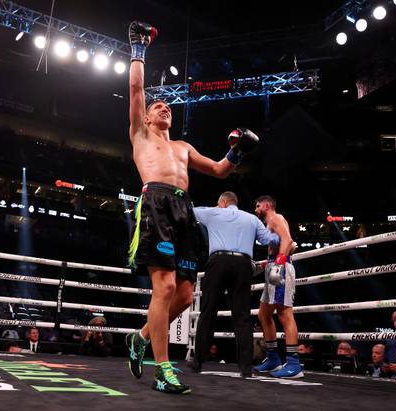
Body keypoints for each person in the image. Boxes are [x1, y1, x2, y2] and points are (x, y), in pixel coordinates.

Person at [124, 21, 259, 395]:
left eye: (167, 105)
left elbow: (218, 170)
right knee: (165, 286)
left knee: (184, 296)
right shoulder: (140, 135)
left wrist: (237, 150)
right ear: (145, 117)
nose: (163, 107)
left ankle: (140, 338)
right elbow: (136, 89)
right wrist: (138, 49)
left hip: (184, 211)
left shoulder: (183, 147)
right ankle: (162, 369)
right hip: (156, 203)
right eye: (157, 106)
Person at [189, 191, 280, 377]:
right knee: (242, 316)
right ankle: (245, 368)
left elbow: (189, 211)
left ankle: (198, 361)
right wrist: (282, 237)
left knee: (208, 311)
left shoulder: (214, 212)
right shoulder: (251, 219)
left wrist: (212, 209)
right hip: (243, 264)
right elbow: (269, 239)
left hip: (218, 262)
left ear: (223, 202)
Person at [253, 195, 303, 378]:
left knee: (284, 314)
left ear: (267, 205)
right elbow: (283, 246)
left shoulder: (276, 218)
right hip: (274, 265)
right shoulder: (269, 224)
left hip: (280, 269)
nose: (256, 209)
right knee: (263, 314)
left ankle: (294, 364)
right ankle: (273, 359)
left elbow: (288, 241)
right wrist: (264, 265)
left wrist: (278, 266)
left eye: (258, 206)